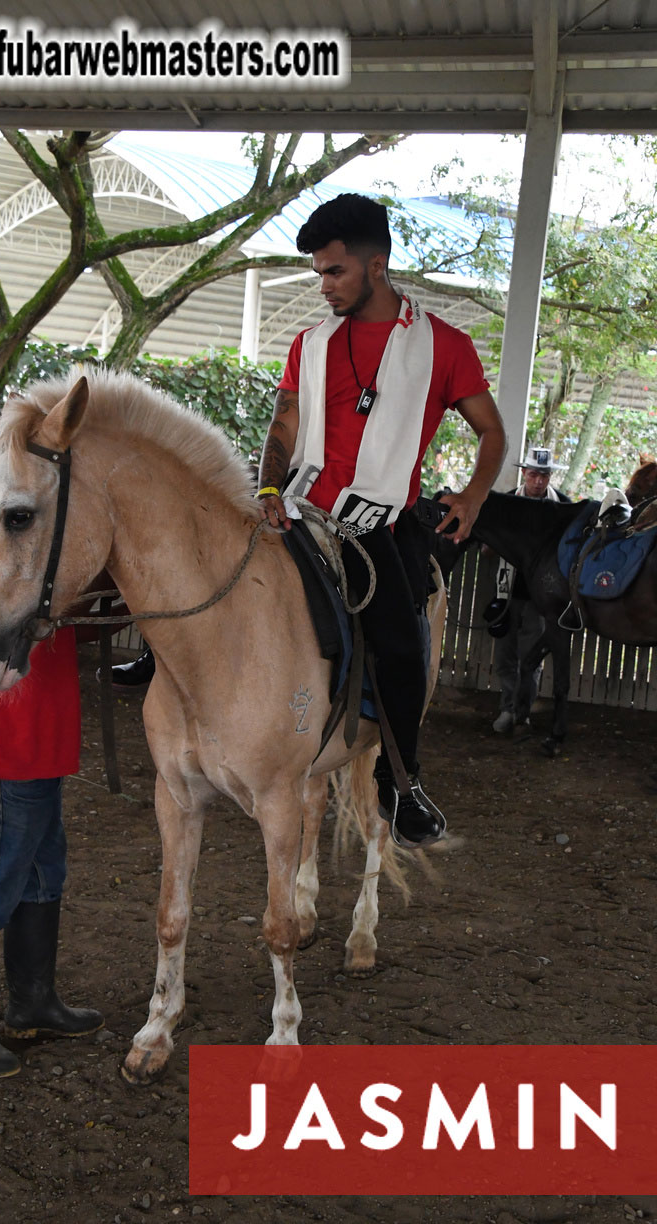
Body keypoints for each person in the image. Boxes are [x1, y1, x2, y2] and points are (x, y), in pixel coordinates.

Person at [256, 192, 506, 849]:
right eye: (318, 272)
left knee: (400, 641)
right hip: (300, 503)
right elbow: (284, 421)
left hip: (376, 521)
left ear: (377, 265)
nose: (323, 285)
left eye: (333, 271)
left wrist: (475, 496)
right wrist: (267, 486)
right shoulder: (309, 343)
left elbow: (491, 432)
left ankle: (401, 784)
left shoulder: (444, 346)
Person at [0, 425, 103, 1078]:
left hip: (38, 744)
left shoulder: (29, 541)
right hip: (3, 748)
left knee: (39, 877)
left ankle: (32, 1000)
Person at [488, 445, 570, 735]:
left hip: (541, 598)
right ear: (524, 473)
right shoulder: (507, 504)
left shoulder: (561, 507)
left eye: (544, 476)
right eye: (534, 474)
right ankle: (508, 708)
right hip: (507, 591)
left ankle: (522, 713)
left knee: (531, 658)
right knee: (505, 655)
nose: (539, 481)